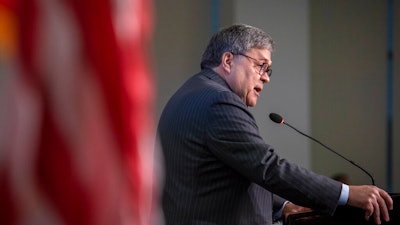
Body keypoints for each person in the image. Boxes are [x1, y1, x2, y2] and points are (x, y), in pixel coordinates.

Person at [157, 23, 393, 225]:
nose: (266, 77)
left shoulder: (192, 93)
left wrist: (282, 206)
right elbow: (267, 167)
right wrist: (347, 193)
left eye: (268, 69)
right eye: (260, 65)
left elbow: (231, 176)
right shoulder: (218, 101)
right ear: (228, 60)